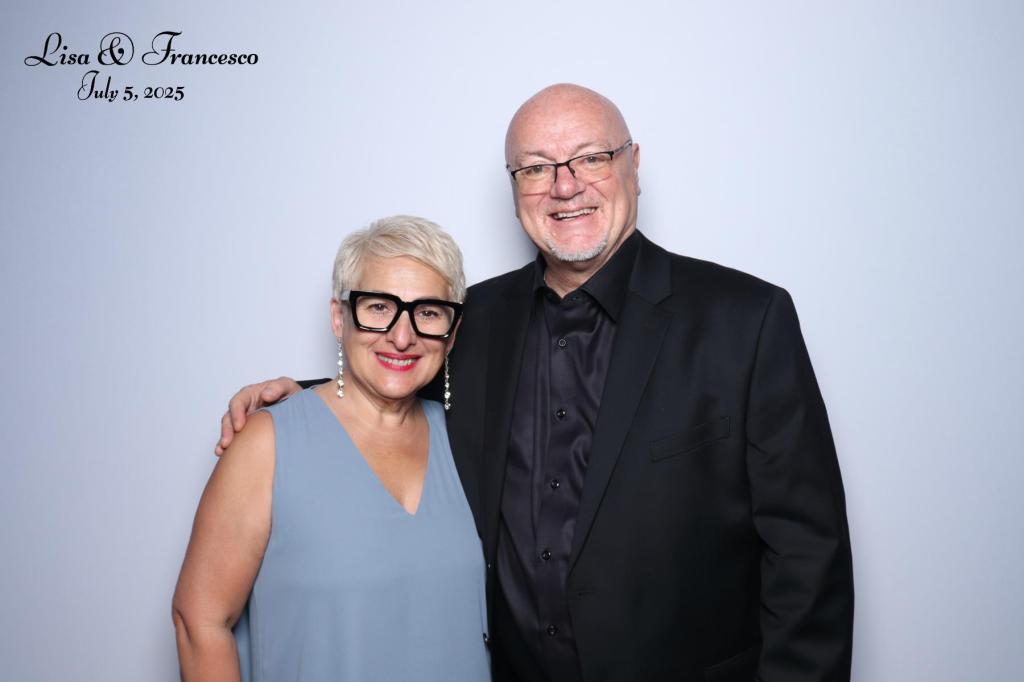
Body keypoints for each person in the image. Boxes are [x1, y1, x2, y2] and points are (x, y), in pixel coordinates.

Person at [218, 84, 854, 681]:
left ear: (634, 165)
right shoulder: (473, 319)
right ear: (515, 187)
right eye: (536, 168)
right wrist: (304, 396)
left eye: (591, 158)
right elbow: (401, 368)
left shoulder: (745, 319)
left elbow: (808, 552)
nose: (564, 186)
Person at [173, 216, 490, 681]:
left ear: (452, 332)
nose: (402, 336)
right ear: (339, 318)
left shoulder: (467, 438)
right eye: (378, 307)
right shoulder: (269, 443)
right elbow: (199, 621)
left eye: (428, 312)